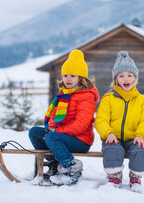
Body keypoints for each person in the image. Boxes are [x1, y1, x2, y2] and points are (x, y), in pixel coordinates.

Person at [29, 49, 99, 184]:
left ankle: (71, 167)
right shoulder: (63, 94)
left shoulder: (86, 97)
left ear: (81, 78)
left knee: (51, 137)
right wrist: (51, 126)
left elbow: (81, 125)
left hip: (80, 141)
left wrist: (56, 132)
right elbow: (54, 116)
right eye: (65, 75)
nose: (68, 79)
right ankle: (55, 164)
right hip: (61, 137)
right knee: (35, 132)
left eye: (73, 76)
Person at [95, 51, 144, 191]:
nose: (126, 79)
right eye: (121, 76)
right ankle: (114, 177)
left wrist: (140, 135)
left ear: (135, 78)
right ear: (116, 79)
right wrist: (107, 133)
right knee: (112, 148)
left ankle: (135, 178)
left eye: (129, 75)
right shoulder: (108, 98)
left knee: (142, 149)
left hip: (133, 139)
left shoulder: (140, 100)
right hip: (112, 138)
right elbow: (101, 119)